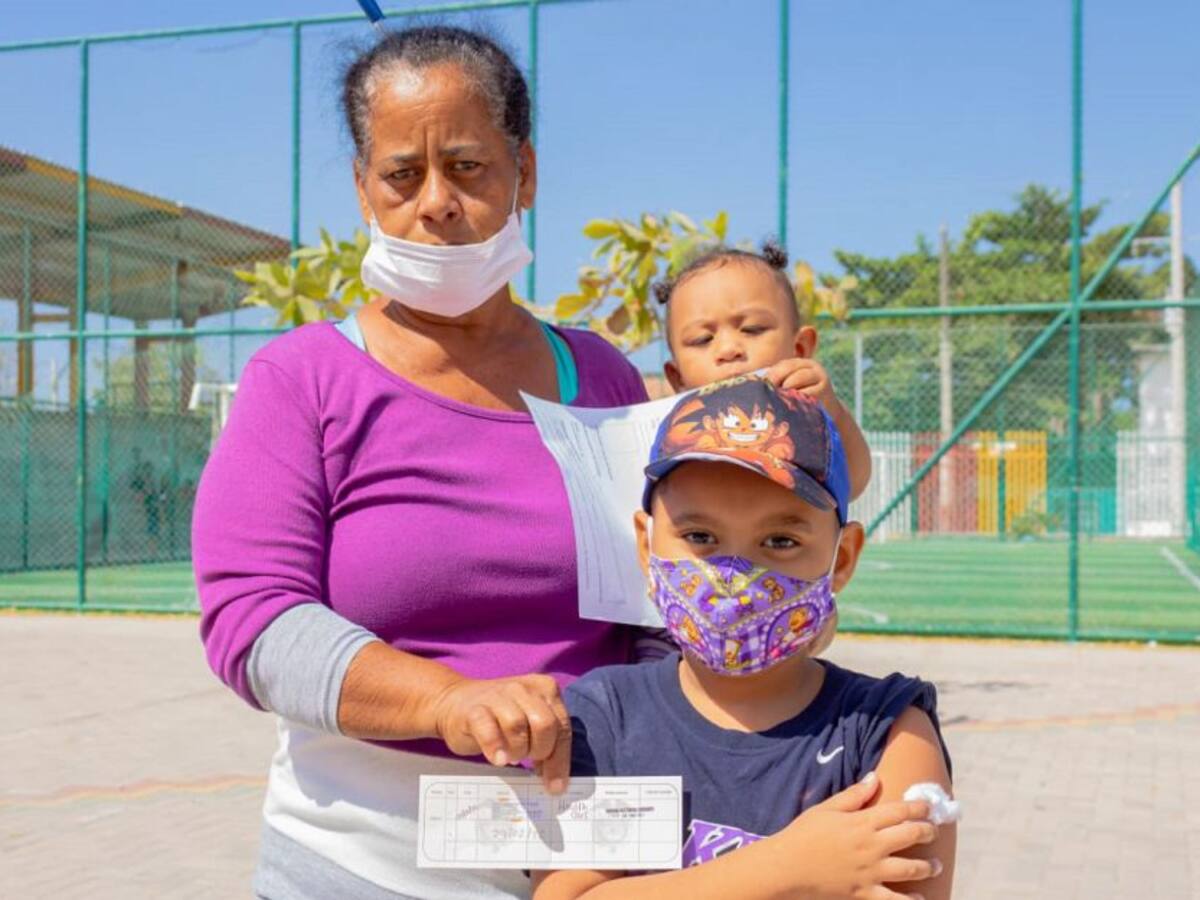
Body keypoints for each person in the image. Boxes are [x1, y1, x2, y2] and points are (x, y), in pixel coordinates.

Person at [192, 25, 651, 900]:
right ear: (366, 189)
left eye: (469, 166)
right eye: (403, 174)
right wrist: (448, 702)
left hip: (590, 861)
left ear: (526, 172)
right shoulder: (300, 381)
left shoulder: (603, 378)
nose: (435, 201)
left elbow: (660, 603)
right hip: (358, 861)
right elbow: (254, 619)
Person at [533, 375, 956, 900]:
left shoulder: (888, 732)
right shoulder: (602, 716)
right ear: (646, 546)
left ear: (841, 557)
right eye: (700, 537)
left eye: (780, 540)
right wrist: (784, 869)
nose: (733, 578)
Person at [655, 241, 872, 498]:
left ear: (800, 348)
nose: (728, 349)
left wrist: (831, 410)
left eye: (752, 329)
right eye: (703, 339)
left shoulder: (802, 418)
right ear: (677, 377)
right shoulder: (675, 433)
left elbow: (853, 483)